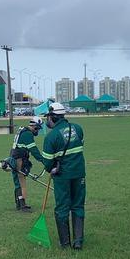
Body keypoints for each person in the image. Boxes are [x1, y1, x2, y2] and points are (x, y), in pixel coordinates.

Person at [40, 102, 86, 249]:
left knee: (62, 207)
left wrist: (52, 168)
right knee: (78, 205)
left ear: (53, 117)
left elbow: (47, 163)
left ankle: (65, 242)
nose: (47, 121)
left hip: (62, 176)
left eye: (48, 117)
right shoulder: (77, 128)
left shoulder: (51, 137)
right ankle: (78, 241)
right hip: (79, 174)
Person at [10, 116, 44, 212]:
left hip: (15, 158)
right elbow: (34, 150)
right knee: (21, 182)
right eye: (38, 128)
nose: (38, 131)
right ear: (35, 127)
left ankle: (19, 204)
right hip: (18, 159)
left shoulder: (22, 131)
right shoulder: (28, 134)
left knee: (18, 181)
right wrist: (43, 160)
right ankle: (22, 205)